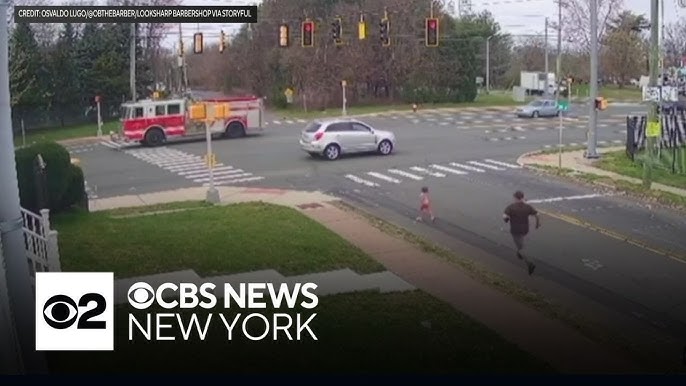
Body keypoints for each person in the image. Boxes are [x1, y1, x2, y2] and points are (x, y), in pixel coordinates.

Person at [503, 190, 540, 275]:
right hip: (525, 229)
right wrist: (537, 224)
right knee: (521, 241)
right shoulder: (528, 207)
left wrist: (506, 219)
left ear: (515, 198)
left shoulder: (511, 207)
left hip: (516, 230)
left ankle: (530, 263)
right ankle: (519, 252)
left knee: (520, 248)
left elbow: (505, 217)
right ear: (522, 197)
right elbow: (537, 215)